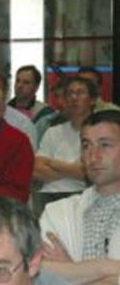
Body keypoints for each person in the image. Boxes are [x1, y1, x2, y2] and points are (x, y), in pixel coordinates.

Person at [41, 110, 120, 285]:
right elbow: (44, 274)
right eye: (86, 146)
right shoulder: (57, 212)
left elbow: (59, 281)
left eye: (105, 145)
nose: (93, 156)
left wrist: (71, 271)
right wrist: (107, 268)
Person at [33, 76, 93, 210]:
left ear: (92, 99)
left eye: (80, 93)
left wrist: (54, 163)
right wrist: (74, 169)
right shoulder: (52, 131)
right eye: (70, 93)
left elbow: (90, 173)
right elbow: (37, 170)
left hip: (83, 192)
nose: (74, 98)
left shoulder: (98, 132)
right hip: (48, 193)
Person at [8, 65, 56, 135]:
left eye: (26, 82)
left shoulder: (46, 114)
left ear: (36, 87)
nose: (19, 85)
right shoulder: (4, 111)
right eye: (17, 81)